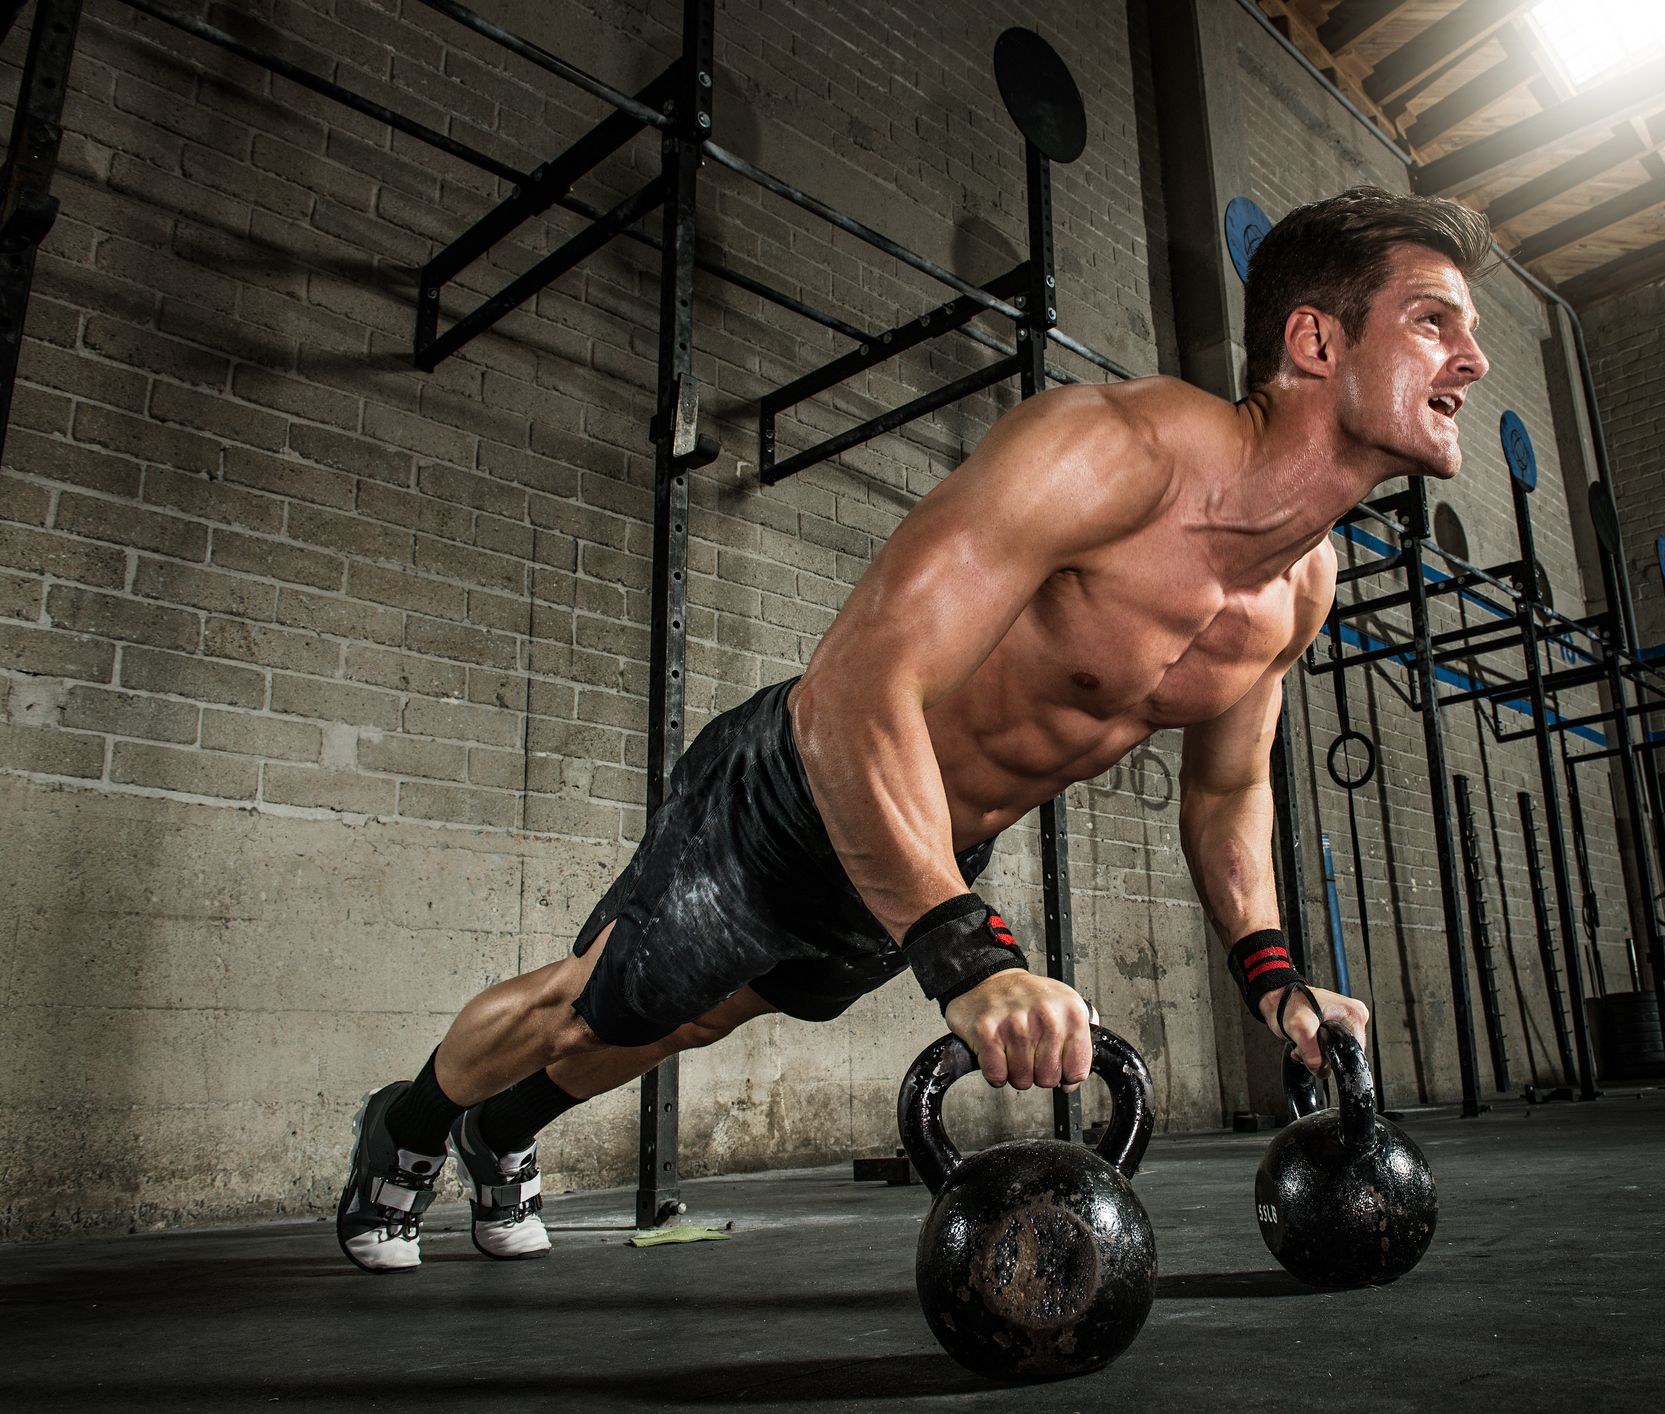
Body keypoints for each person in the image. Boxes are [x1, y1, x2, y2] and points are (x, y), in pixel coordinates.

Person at [336, 185, 1492, 1272]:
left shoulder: (1300, 586)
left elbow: (1226, 791)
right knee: (597, 995)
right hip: (801, 788)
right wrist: (970, 957)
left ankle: (504, 1134)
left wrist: (1273, 979)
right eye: (1434, 322)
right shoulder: (1114, 453)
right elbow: (855, 686)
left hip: (927, 855)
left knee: (686, 1020)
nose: (1473, 361)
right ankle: (408, 1124)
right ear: (1316, 342)